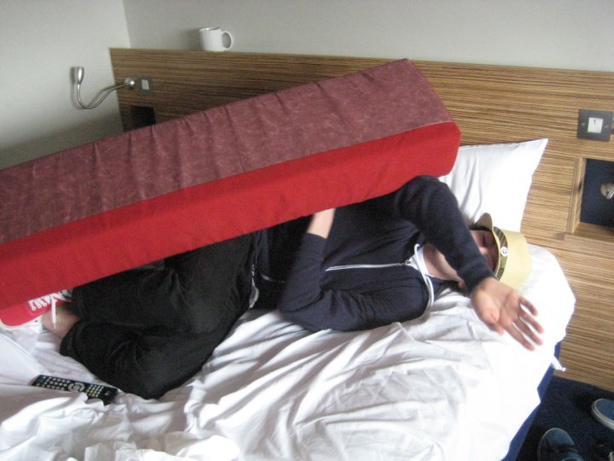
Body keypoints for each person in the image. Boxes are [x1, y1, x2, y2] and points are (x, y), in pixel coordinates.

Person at [1, 176, 543, 399]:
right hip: (250, 229)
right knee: (192, 307)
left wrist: (321, 221)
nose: (478, 253)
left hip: (247, 293)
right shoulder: (417, 215)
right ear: (470, 234)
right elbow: (426, 188)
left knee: (155, 375)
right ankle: (65, 285)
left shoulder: (409, 298)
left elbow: (303, 305)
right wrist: (480, 277)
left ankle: (66, 322)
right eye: (482, 243)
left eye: (488, 261)